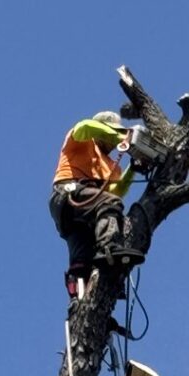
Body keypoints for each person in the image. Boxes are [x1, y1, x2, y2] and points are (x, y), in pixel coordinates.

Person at [49, 111, 143, 297]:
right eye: (109, 134)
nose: (112, 143)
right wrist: (121, 136)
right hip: (68, 194)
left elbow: (115, 191)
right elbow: (84, 126)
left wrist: (133, 168)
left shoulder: (111, 166)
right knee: (109, 203)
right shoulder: (81, 140)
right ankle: (109, 247)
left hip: (81, 215)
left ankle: (81, 298)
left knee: (83, 260)